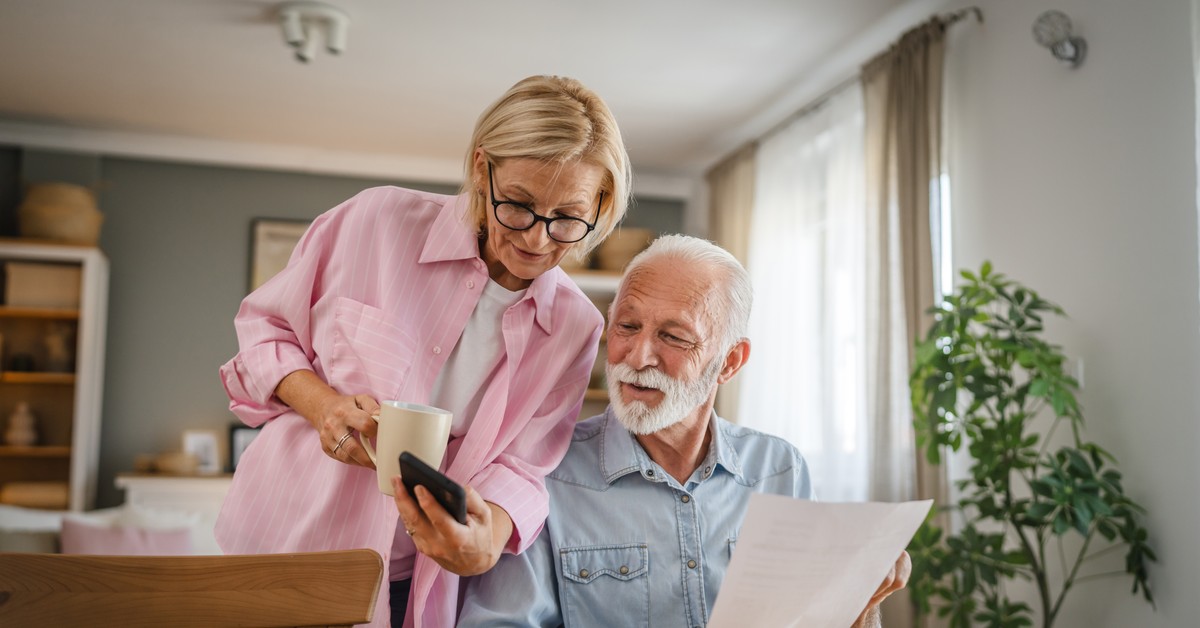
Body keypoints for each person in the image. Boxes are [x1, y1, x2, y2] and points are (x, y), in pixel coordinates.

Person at [214, 75, 631, 628]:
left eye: (568, 217)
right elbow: (264, 331)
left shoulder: (574, 327)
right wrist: (324, 406)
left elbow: (524, 468)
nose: (537, 239)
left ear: (601, 204)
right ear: (483, 169)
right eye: (520, 205)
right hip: (281, 547)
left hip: (411, 586)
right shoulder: (375, 222)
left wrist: (489, 538)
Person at [458, 234, 910, 627]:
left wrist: (861, 606)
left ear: (729, 362)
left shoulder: (781, 470)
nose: (637, 358)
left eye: (673, 337)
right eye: (627, 327)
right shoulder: (544, 473)